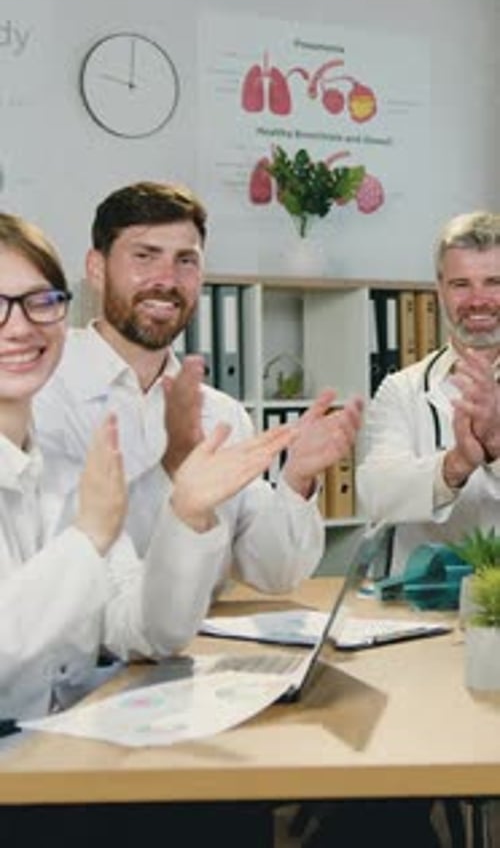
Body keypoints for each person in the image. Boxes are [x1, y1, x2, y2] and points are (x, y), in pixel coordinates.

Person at [0, 210, 300, 722]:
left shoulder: (65, 474)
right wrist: (89, 537)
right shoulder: (89, 507)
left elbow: (144, 631)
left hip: (58, 746)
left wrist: (187, 515)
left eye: (40, 302)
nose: (21, 328)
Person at [33, 181, 363, 640]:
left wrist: (297, 479)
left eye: (185, 260)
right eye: (145, 256)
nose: (167, 280)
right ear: (97, 268)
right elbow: (82, 576)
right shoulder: (42, 392)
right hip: (83, 661)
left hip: (195, 653)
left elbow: (275, 573)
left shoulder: (221, 413)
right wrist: (174, 471)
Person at [357, 210, 500, 574]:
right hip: (421, 601)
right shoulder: (402, 390)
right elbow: (377, 495)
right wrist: (455, 465)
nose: (478, 300)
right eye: (461, 284)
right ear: (440, 290)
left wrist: (495, 447)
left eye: (493, 282)